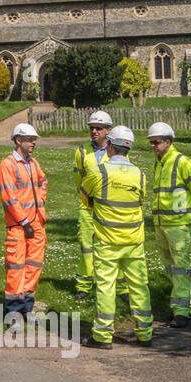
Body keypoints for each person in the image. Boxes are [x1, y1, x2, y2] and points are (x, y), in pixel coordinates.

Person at [80, 125, 152, 349]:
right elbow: (140, 200)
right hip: (134, 240)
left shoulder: (98, 172)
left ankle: (102, 336)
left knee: (106, 286)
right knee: (139, 285)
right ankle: (145, 332)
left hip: (107, 240)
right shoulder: (140, 175)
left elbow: (84, 197)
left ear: (110, 145)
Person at [147, 122, 191, 328]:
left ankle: (181, 311)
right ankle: (188, 306)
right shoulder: (159, 162)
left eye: (157, 142)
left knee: (180, 267)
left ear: (168, 142)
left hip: (179, 224)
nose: (153, 146)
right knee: (172, 268)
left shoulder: (183, 162)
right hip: (162, 223)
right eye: (151, 142)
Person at [0, 123, 48, 322]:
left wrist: (40, 201)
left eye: (34, 139)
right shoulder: (7, 165)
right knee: (16, 268)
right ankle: (14, 313)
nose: (34, 142)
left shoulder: (33, 163)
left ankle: (27, 308)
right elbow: (9, 198)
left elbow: (43, 182)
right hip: (19, 226)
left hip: (36, 223)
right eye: (29, 139)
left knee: (33, 266)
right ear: (18, 140)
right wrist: (24, 221)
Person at [73, 110, 113, 302]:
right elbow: (78, 178)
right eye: (91, 128)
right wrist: (86, 199)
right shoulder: (82, 151)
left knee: (110, 248)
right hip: (88, 208)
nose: (94, 131)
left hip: (108, 208)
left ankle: (116, 287)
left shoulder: (116, 149)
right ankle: (84, 286)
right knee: (86, 248)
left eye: (98, 128)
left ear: (108, 130)